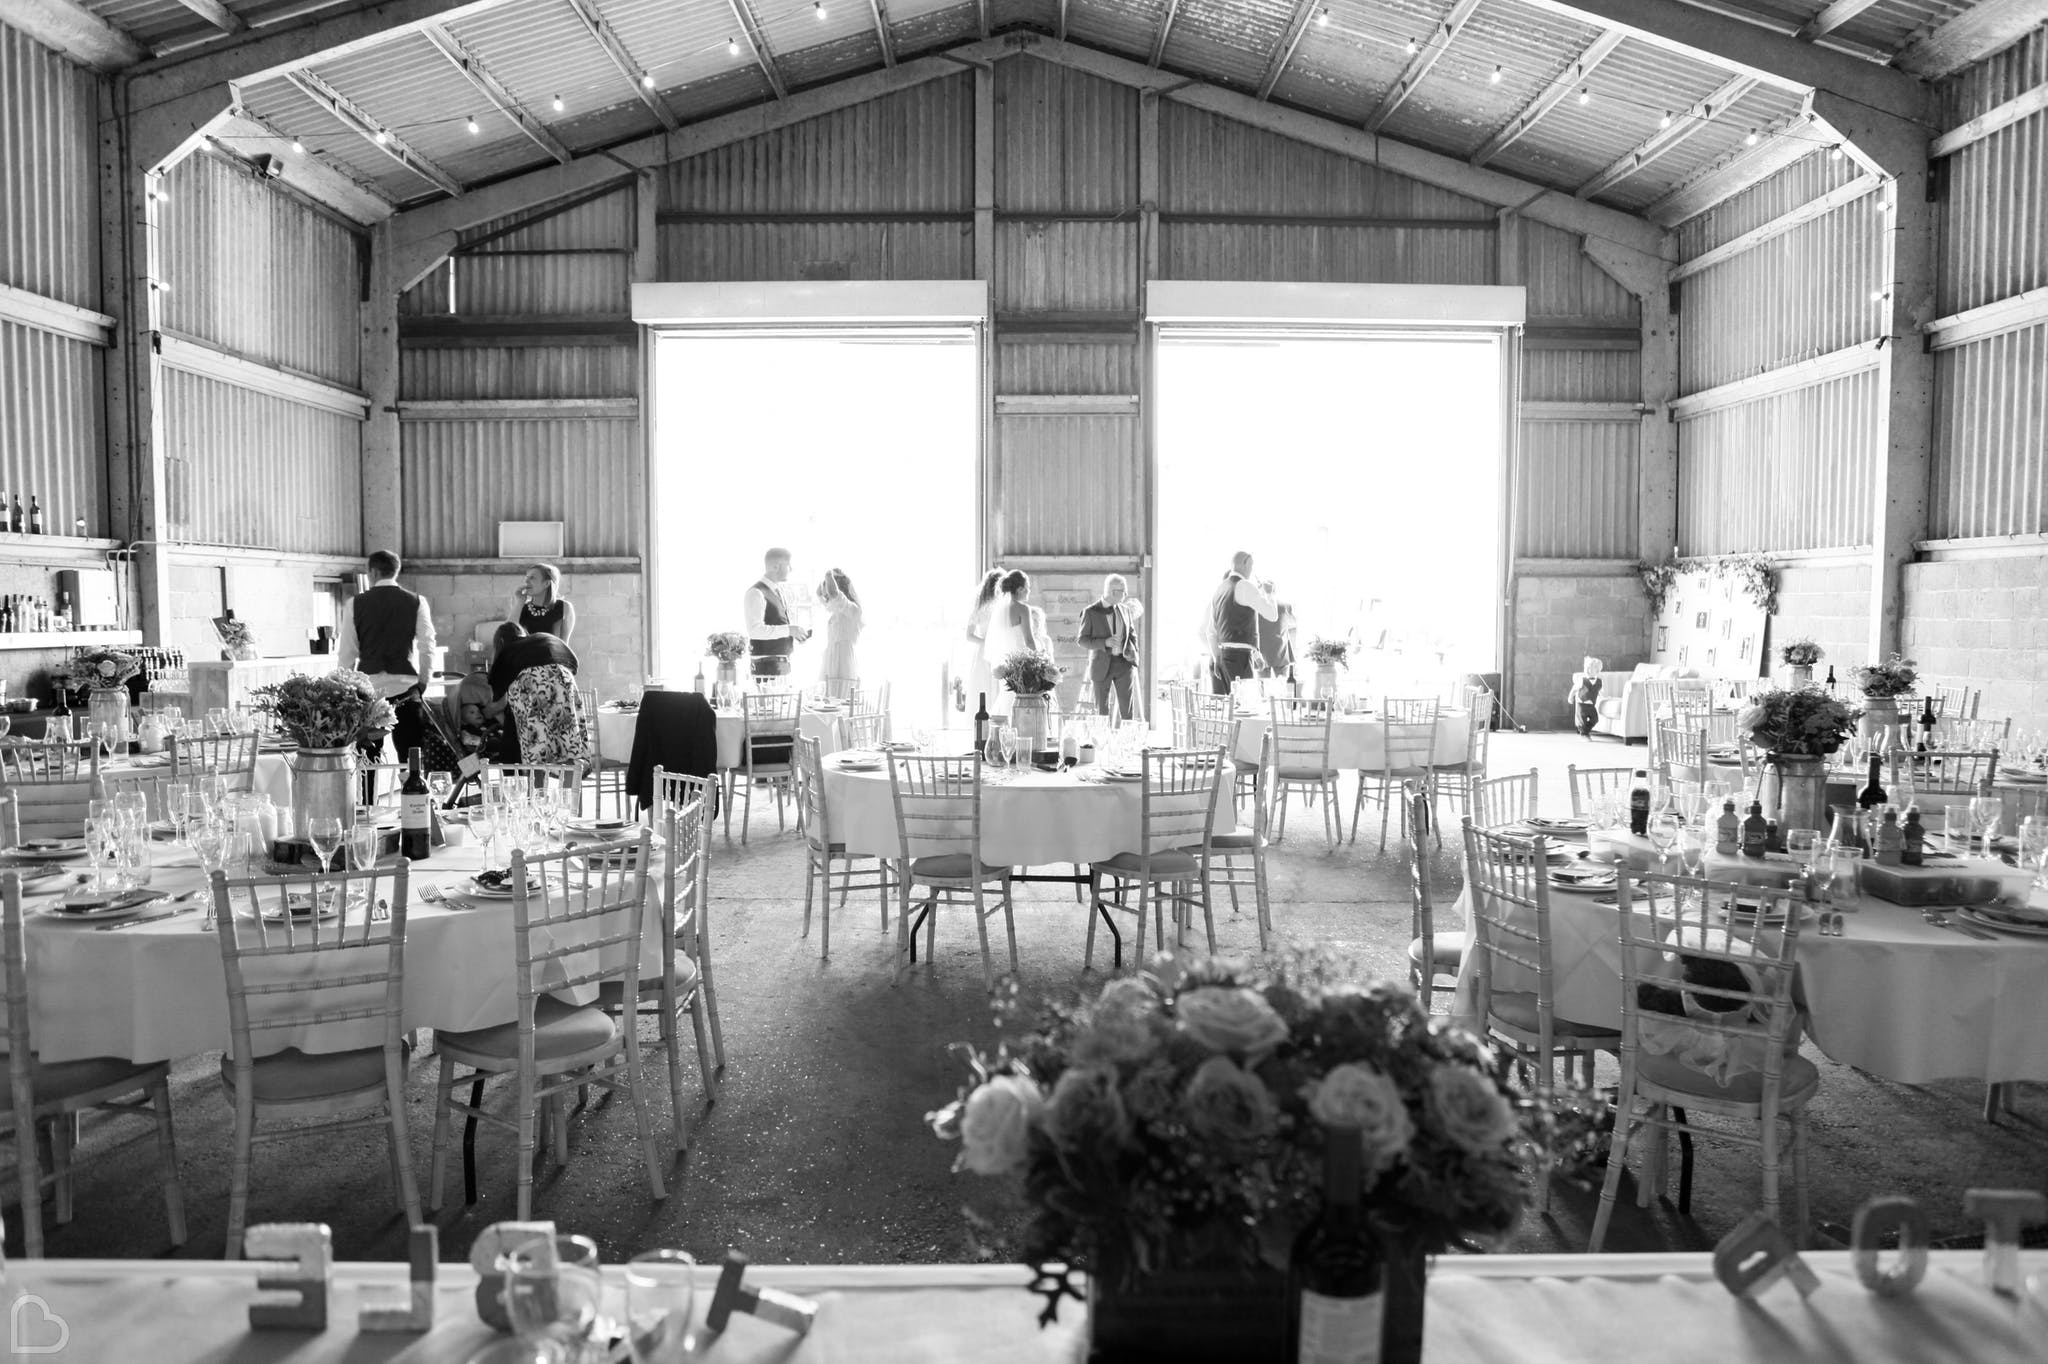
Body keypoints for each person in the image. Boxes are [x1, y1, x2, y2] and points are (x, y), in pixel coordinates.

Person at [335, 549, 438, 761]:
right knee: (412, 759)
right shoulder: (417, 602)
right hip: (407, 688)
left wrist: (344, 688)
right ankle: (414, 793)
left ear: (372, 572)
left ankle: (367, 795)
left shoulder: (355, 604)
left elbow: (348, 652)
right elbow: (428, 645)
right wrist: (423, 682)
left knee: (367, 759)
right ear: (396, 571)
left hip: (369, 689)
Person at [484, 622, 585, 768]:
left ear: (500, 641)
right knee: (567, 739)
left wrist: (487, 711)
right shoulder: (538, 641)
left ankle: (537, 788)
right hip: (564, 677)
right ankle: (572, 789)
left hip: (531, 681)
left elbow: (501, 702)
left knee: (536, 741)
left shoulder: (507, 653)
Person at [1203, 551, 1278, 695]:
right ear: (1245, 564)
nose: (1251, 569)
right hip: (1238, 660)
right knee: (1243, 709)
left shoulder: (1219, 589)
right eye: (1251, 565)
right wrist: (1270, 594)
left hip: (1219, 660)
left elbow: (1211, 632)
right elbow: (1272, 615)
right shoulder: (1245, 586)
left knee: (1224, 711)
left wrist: (1217, 658)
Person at [1077, 574, 1143, 721]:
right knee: (1101, 711)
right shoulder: (1090, 612)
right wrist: (1104, 643)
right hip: (1101, 665)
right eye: (1123, 591)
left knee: (1128, 711)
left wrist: (1133, 656)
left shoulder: (1125, 610)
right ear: (1113, 591)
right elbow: (1082, 640)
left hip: (1124, 665)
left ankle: (1127, 742)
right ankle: (1102, 742)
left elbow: (1132, 635)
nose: (1126, 595)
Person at [981, 569, 1041, 717]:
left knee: (1006, 696)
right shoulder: (1023, 609)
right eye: (1028, 587)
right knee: (1022, 700)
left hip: (1005, 663)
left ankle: (1002, 731)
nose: (1029, 591)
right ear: (1020, 589)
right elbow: (1029, 640)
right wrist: (1040, 659)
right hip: (1021, 662)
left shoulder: (999, 610)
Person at [744, 547, 810, 680]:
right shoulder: (756, 593)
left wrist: (795, 634)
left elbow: (777, 623)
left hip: (782, 666)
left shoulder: (779, 591)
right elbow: (755, 630)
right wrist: (789, 630)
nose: (791, 569)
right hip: (765, 667)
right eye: (788, 565)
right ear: (775, 566)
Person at [817, 567, 863, 701]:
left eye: (828, 593)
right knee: (827, 699)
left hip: (843, 658)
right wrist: (826, 580)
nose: (827, 596)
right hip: (831, 657)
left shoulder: (853, 609)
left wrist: (828, 575)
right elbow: (819, 593)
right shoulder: (836, 610)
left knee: (841, 699)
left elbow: (834, 593)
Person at [961, 568, 1004, 711]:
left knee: (995, 688)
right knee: (984, 687)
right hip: (985, 652)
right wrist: (986, 643)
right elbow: (969, 635)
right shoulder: (979, 608)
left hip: (997, 650)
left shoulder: (1002, 606)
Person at [508, 562, 576, 643]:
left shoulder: (564, 607)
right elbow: (507, 634)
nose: (526, 581)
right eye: (526, 577)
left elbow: (565, 644)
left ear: (546, 583)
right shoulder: (520, 606)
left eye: (532, 578)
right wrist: (519, 602)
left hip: (551, 655)